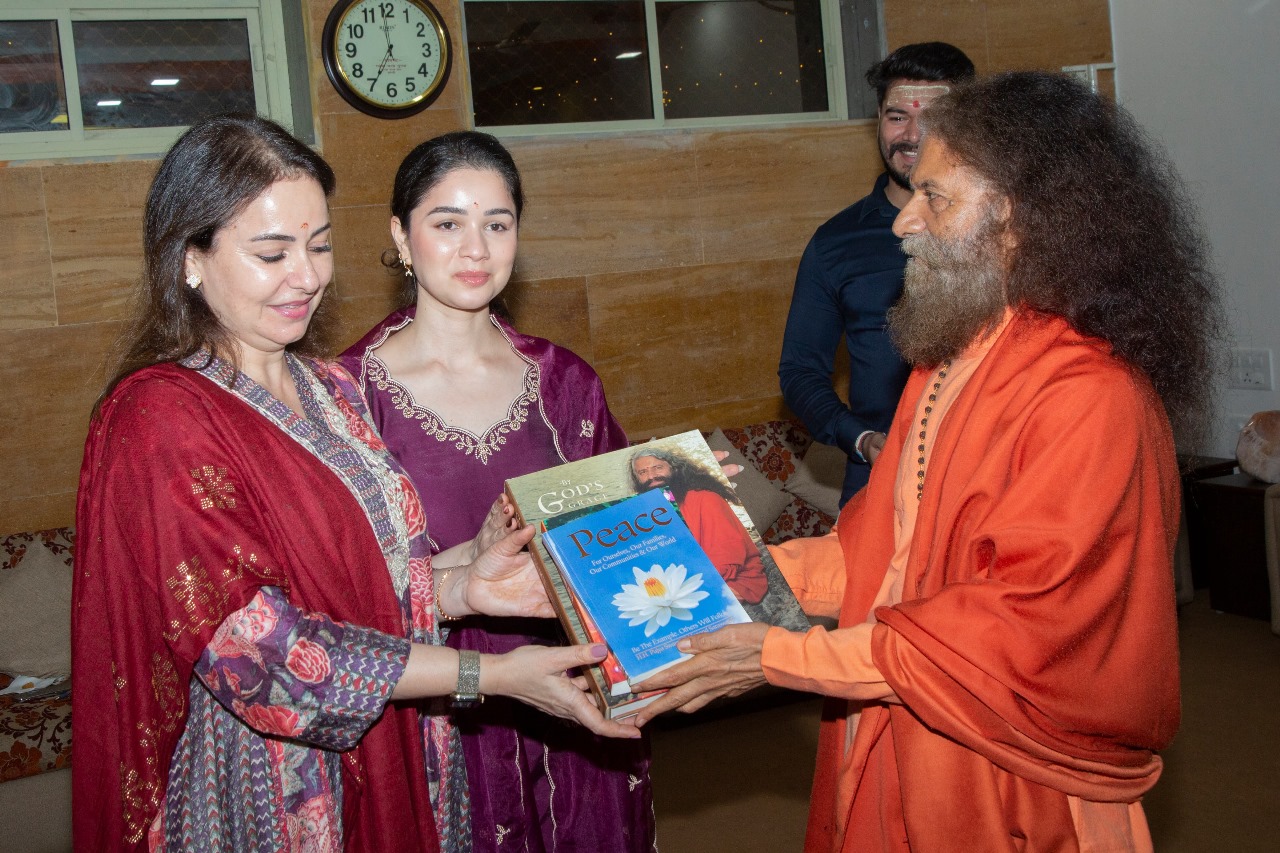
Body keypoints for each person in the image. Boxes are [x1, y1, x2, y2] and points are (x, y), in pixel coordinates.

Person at [634, 72, 1222, 851]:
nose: (904, 221)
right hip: (895, 716)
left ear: (1016, 213)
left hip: (1008, 772)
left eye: (934, 197)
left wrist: (779, 654)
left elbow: (1012, 625)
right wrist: (722, 567)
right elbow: (874, 552)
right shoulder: (942, 361)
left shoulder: (1090, 395)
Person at [72, 115, 636, 853]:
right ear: (190, 259)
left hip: (394, 755)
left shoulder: (329, 389)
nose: (306, 276)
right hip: (270, 790)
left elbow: (367, 585)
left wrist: (466, 585)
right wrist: (490, 673)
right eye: (272, 252)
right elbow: (265, 655)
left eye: (319, 245)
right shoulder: (161, 416)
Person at [339, 131, 655, 853]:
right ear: (400, 234)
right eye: (447, 223)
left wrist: (684, 511)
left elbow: (622, 547)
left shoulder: (565, 382)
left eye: (498, 223)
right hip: (435, 719)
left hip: (574, 708)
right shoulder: (345, 397)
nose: (475, 249)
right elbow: (342, 597)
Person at [779, 42, 974, 505]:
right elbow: (800, 372)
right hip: (876, 490)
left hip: (983, 486)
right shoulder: (834, 244)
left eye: (933, 116)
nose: (911, 134)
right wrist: (863, 439)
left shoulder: (1001, 232)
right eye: (897, 116)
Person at [629, 448, 768, 605]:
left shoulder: (705, 498)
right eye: (642, 472)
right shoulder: (644, 517)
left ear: (674, 468)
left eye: (658, 467)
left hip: (728, 581)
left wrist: (683, 589)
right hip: (676, 589)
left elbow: (726, 557)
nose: (651, 476)